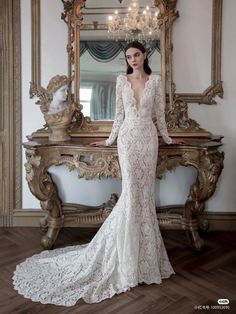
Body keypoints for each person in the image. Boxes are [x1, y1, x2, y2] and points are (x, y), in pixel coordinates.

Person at [13, 41, 184, 306]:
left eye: (137, 55)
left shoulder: (155, 81)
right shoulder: (121, 81)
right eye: (129, 56)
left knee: (144, 195)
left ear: (145, 55)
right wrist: (108, 141)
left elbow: (159, 117)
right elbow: (118, 116)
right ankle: (124, 258)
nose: (133, 60)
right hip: (127, 140)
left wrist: (169, 139)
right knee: (131, 193)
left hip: (148, 140)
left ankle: (145, 259)